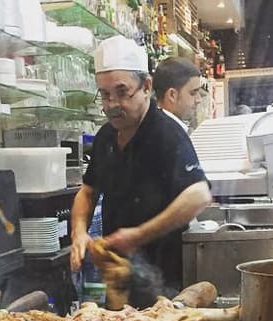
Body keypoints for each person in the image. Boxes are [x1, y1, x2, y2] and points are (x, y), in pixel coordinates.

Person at [69, 36, 212, 306]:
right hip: (120, 279)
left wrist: (138, 235)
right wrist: (79, 232)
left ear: (146, 86)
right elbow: (87, 192)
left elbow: (199, 194)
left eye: (122, 92)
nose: (112, 104)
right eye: (105, 94)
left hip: (162, 281)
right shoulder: (105, 137)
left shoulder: (166, 133)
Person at [153, 56, 203, 129]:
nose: (199, 99)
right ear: (172, 95)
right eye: (193, 93)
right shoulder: (167, 135)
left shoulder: (156, 125)